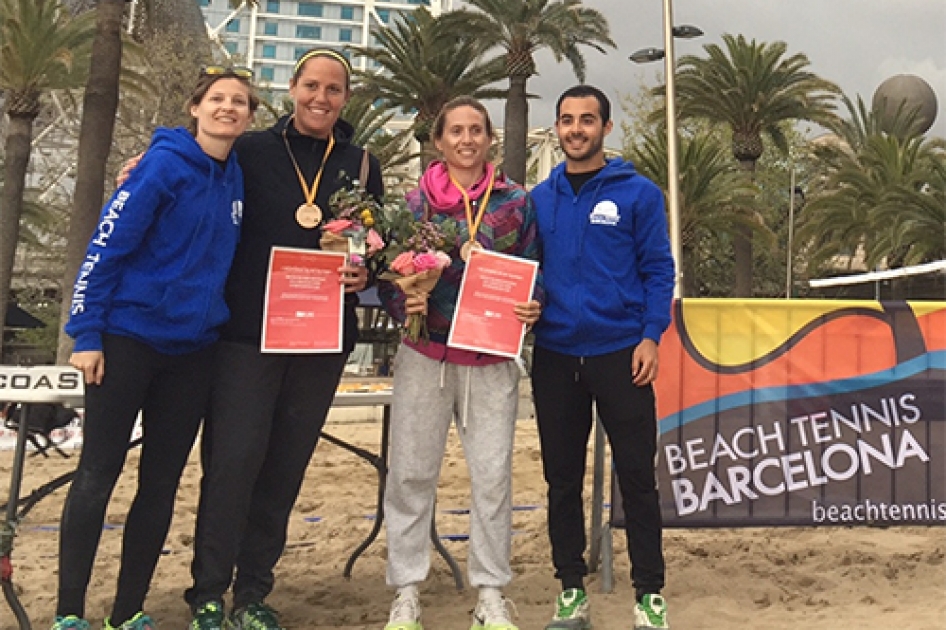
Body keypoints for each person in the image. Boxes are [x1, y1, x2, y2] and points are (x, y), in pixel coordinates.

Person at [51, 67, 259, 630]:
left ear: (249, 116)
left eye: (240, 102)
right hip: (127, 343)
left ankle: (127, 611)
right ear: (195, 107)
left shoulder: (235, 176)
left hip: (194, 352)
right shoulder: (161, 167)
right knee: (97, 473)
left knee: (161, 484)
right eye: (217, 99)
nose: (228, 108)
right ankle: (70, 612)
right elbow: (105, 250)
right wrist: (86, 334)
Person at [182, 49, 382, 630]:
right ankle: (208, 594)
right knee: (232, 463)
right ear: (291, 88)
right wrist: (146, 160)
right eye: (312, 86)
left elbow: (375, 243)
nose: (322, 98)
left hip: (320, 340)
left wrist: (363, 271)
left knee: (284, 467)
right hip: (246, 336)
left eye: (335, 89)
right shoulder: (249, 149)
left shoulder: (363, 164)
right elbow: (194, 160)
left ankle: (253, 594)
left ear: (347, 97)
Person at [377, 96, 542, 630]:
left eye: (476, 130)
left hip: (491, 358)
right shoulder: (412, 204)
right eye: (456, 131)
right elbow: (389, 278)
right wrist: (407, 301)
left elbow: (534, 268)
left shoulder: (516, 201)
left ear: (490, 138)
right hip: (425, 354)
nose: (467, 139)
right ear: (439, 140)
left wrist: (532, 306)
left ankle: (491, 594)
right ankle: (406, 590)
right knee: (410, 475)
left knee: (493, 478)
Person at [529, 85, 675, 630]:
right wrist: (529, 303)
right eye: (566, 120)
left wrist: (651, 335)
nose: (575, 129)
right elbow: (530, 273)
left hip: (622, 352)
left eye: (586, 120)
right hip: (555, 354)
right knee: (560, 480)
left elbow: (659, 269)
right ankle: (572, 591)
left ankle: (649, 595)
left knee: (638, 477)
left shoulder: (639, 194)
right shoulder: (539, 199)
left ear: (606, 129)